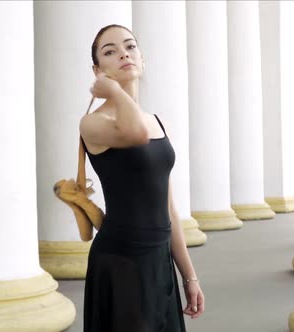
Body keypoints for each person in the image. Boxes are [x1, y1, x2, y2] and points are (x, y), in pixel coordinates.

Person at [80, 24, 205, 332]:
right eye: (110, 51)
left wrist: (189, 276)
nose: (124, 53)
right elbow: (134, 134)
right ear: (98, 69)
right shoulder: (93, 123)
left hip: (159, 260)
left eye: (130, 46)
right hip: (121, 260)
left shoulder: (155, 121)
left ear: (142, 58)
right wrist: (112, 92)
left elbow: (169, 208)